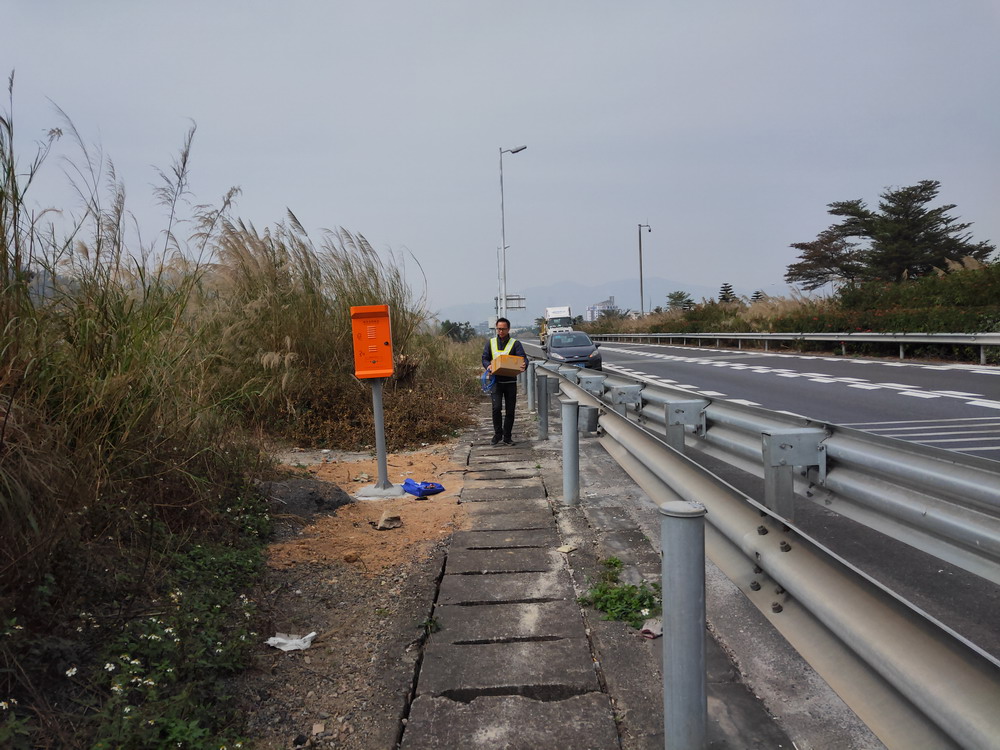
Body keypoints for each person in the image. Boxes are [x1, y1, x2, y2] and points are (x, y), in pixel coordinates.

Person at [482, 317, 527, 445]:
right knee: (496, 408)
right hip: (495, 381)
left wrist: (524, 364)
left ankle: (507, 436)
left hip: (510, 382)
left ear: (508, 329)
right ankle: (498, 434)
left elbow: (523, 358)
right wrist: (488, 366)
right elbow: (485, 358)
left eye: (503, 329)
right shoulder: (490, 343)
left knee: (510, 410)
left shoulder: (515, 344)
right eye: (499, 329)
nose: (500, 331)